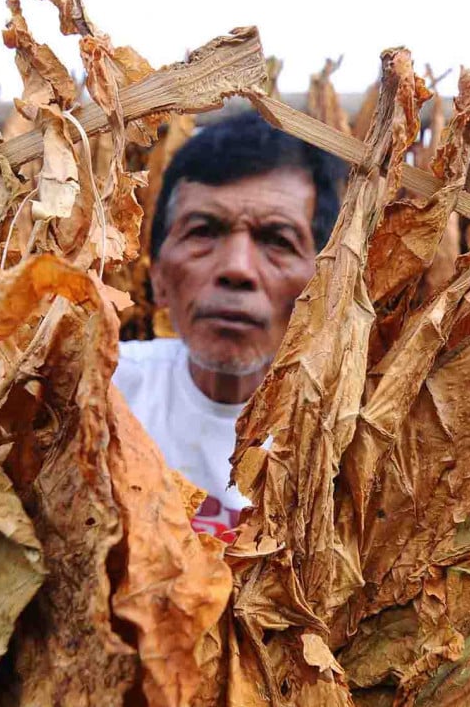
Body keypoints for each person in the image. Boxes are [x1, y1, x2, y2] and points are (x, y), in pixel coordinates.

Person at [113, 110, 347, 537]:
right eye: (203, 231)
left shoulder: (352, 438)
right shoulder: (101, 395)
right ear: (158, 276)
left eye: (277, 240)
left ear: (324, 284)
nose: (237, 269)